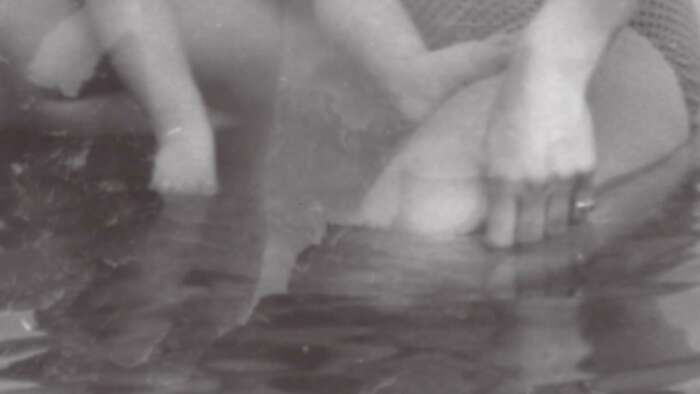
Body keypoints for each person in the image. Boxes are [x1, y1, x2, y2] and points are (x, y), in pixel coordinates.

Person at [314, 0, 700, 247]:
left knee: (419, 238)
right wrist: (403, 69)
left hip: (611, 28)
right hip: (427, 38)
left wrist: (554, 67)